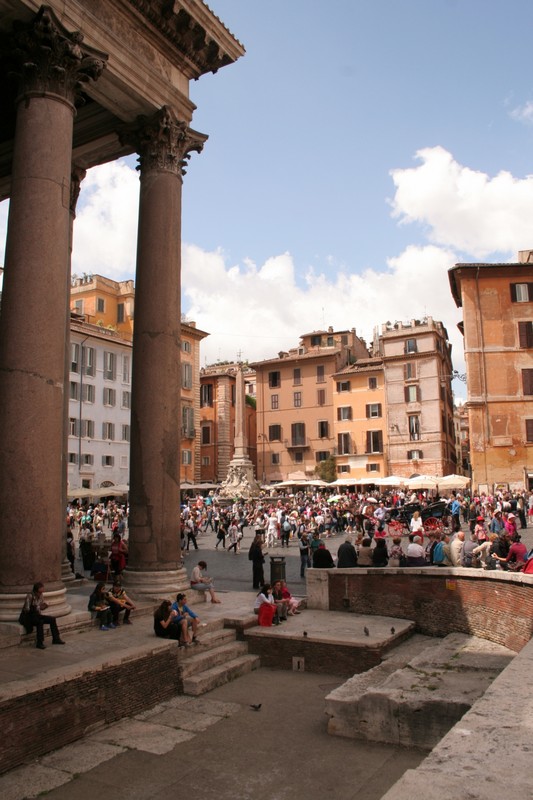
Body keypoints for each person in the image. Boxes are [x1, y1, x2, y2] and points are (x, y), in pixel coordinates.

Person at [21, 582, 65, 649]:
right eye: (42, 588)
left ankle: (56, 639)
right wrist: (36, 607)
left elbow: (41, 606)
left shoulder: (41, 595)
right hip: (29, 617)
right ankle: (40, 643)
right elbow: (26, 609)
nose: (43, 589)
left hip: (37, 615)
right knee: (40, 622)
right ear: (37, 589)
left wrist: (44, 606)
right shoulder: (30, 596)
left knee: (52, 619)